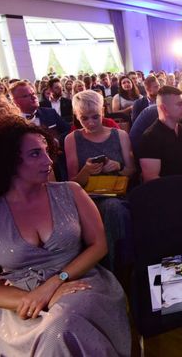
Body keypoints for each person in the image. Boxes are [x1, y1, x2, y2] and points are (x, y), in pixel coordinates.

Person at [0, 115, 130, 356]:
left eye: (46, 151)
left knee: (61, 326)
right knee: (56, 327)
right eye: (35, 154)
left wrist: (55, 282)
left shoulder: (71, 191)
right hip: (20, 302)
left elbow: (99, 245)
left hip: (80, 283)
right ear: (6, 161)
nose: (49, 160)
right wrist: (35, 298)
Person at [65, 90, 135, 271]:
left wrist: (118, 166)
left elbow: (132, 170)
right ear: (77, 116)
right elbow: (72, 183)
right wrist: (86, 171)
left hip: (117, 193)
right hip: (88, 198)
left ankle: (117, 265)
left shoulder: (120, 135)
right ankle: (120, 265)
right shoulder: (72, 139)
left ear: (103, 112)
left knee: (113, 208)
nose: (91, 123)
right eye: (84, 118)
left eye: (95, 117)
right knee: (112, 210)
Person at [138, 86, 182, 182]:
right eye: (179, 104)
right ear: (164, 108)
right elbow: (151, 179)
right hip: (166, 189)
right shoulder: (150, 138)